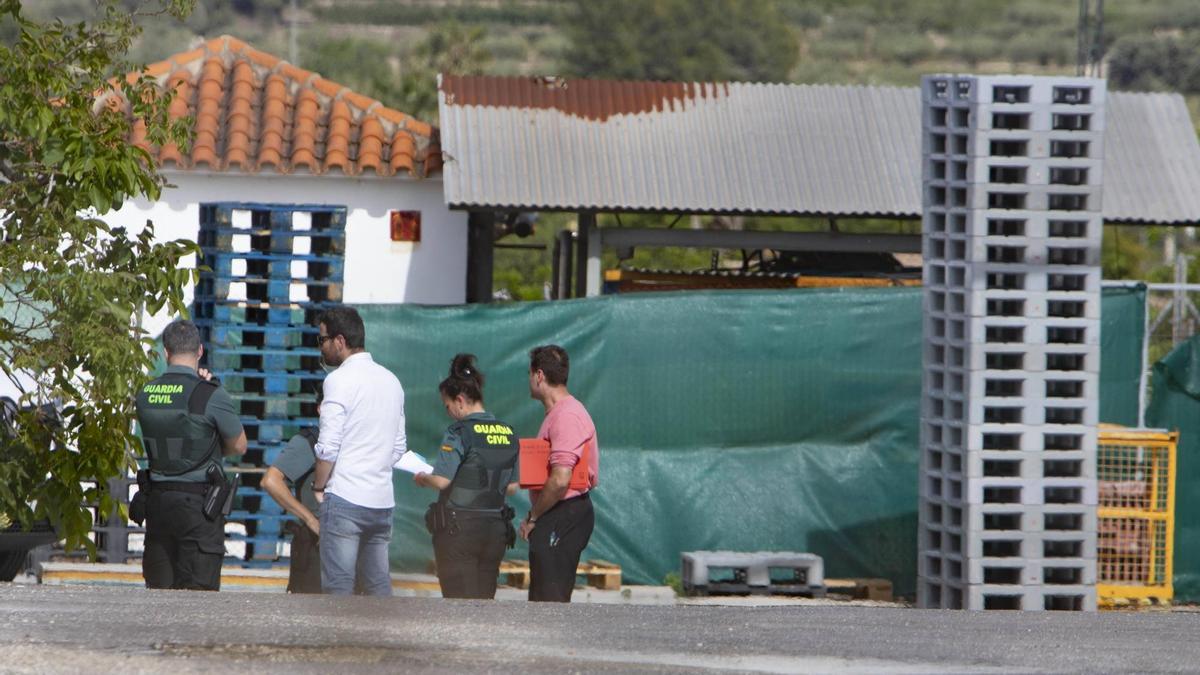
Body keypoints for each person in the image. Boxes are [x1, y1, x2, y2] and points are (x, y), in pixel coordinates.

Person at [135, 320, 247, 591]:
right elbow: (239, 446)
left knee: (159, 592)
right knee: (199, 600)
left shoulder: (145, 393)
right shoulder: (210, 395)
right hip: (199, 508)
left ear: (165, 352)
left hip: (158, 503)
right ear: (200, 351)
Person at [310, 306, 407, 596]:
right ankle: (382, 642)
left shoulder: (337, 380)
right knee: (378, 585)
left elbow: (328, 447)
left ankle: (339, 643)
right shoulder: (392, 381)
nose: (321, 347)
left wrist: (319, 485)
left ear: (339, 341)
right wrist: (372, 465)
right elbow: (399, 446)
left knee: (339, 585)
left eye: (322, 340)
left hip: (345, 498)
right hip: (381, 500)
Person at [414, 354, 519, 599]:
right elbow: (513, 486)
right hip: (495, 531)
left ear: (460, 401)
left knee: (459, 609)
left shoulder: (459, 432)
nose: (448, 412)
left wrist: (423, 477)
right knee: (483, 605)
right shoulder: (509, 432)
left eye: (448, 406)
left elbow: (442, 481)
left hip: (459, 531)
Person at [518, 344, 599, 602]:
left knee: (549, 603)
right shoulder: (558, 414)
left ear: (539, 375)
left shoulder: (567, 416)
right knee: (544, 598)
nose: (529, 380)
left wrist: (533, 516)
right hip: (556, 514)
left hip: (563, 515)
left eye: (530, 374)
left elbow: (561, 478)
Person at [260, 385, 323, 594]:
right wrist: (310, 519)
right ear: (320, 408)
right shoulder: (309, 442)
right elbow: (271, 481)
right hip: (315, 544)